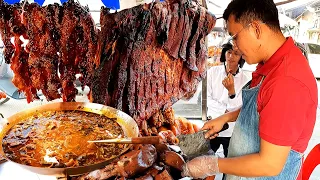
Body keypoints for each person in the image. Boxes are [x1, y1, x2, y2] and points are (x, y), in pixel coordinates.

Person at [182, 0, 318, 179]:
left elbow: (269, 164)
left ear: (256, 29)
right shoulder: (270, 63)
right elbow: (262, 107)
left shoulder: (287, 82)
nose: (234, 47)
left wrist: (211, 165)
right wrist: (226, 118)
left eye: (235, 37)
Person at [207, 42, 250, 159]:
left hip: (232, 130)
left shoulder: (245, 80)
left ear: (241, 57)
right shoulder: (212, 72)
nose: (231, 57)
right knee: (206, 160)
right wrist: (224, 110)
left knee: (230, 162)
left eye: (236, 53)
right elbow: (207, 99)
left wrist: (231, 92)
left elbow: (239, 107)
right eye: (229, 52)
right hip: (212, 125)